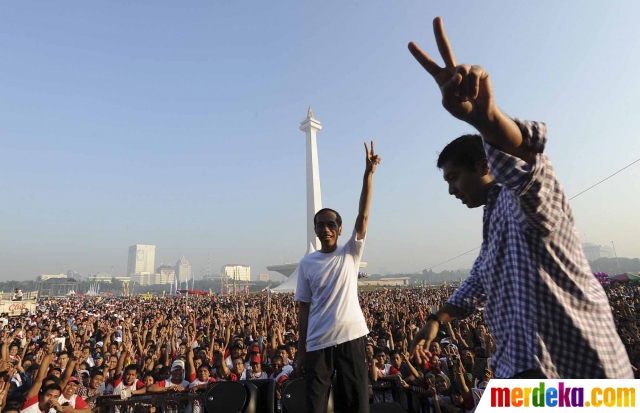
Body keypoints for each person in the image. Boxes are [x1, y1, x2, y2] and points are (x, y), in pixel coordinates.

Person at [408, 17, 633, 379]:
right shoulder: (495, 215)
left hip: (580, 377)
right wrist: (438, 319)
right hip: (522, 370)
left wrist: (488, 120)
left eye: (453, 178)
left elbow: (526, 162)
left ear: (485, 163)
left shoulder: (528, 196)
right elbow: (479, 280)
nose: (451, 190)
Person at [296, 141, 381, 413]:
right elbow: (303, 309)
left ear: (340, 229)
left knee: (355, 404)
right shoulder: (307, 263)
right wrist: (300, 348)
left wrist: (368, 174)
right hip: (317, 344)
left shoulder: (351, 253)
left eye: (331, 224)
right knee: (315, 406)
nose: (326, 229)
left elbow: (364, 215)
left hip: (351, 338)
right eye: (320, 225)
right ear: (315, 231)